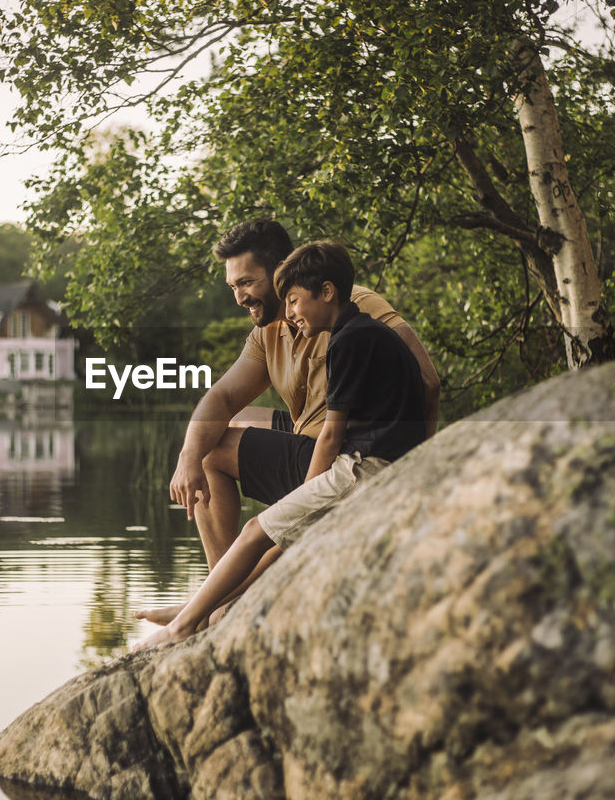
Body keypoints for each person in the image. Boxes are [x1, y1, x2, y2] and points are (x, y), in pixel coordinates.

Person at [135, 219, 440, 626]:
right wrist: (186, 457)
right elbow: (222, 397)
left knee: (216, 452)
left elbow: (427, 380)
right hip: (308, 434)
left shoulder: (352, 304)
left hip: (344, 451)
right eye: (233, 287)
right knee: (229, 422)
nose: (240, 297)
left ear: (282, 269)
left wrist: (414, 462)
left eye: (247, 283)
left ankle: (218, 602)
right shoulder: (267, 332)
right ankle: (220, 592)